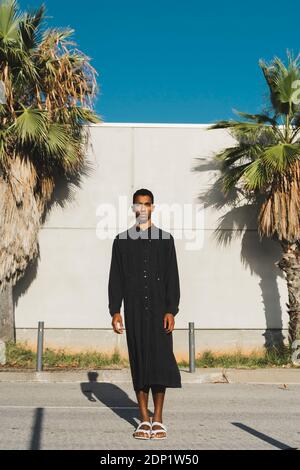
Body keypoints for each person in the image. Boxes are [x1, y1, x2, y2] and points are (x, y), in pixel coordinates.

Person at [108, 188, 181, 439]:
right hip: (135, 311)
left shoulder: (166, 239)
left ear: (153, 207)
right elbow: (115, 279)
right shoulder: (121, 241)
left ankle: (158, 419)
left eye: (147, 204)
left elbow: (173, 277)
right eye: (138, 204)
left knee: (160, 363)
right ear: (133, 208)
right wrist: (115, 310)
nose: (142, 209)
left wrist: (172, 309)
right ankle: (143, 419)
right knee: (139, 362)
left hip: (160, 311)